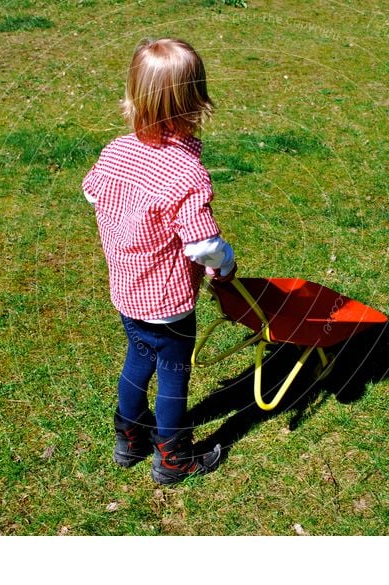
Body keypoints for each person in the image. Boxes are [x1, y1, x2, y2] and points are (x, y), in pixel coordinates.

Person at [82, 38, 236, 485]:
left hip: (126, 287)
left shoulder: (117, 150)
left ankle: (128, 439)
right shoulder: (185, 174)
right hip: (167, 298)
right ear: (195, 101)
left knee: (138, 356)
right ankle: (173, 458)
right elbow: (203, 244)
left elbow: (92, 192)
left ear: (133, 95)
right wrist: (223, 264)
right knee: (173, 373)